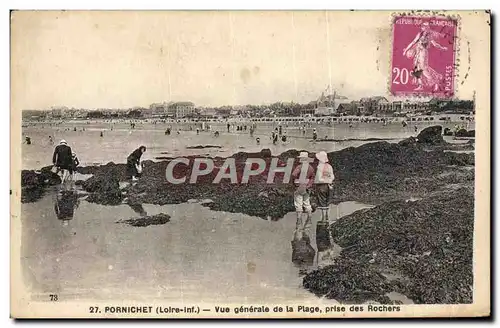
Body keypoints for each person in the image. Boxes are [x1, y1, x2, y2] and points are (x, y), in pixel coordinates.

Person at [291, 152, 315, 231]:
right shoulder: (311, 167)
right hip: (307, 186)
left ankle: (299, 220)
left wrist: (294, 182)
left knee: (298, 202)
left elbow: (294, 174)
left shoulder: (299, 167)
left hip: (300, 185)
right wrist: (309, 185)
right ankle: (310, 218)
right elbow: (312, 178)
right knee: (307, 202)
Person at [314, 151, 334, 223]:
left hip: (321, 186)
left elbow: (319, 178)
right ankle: (327, 217)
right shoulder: (329, 166)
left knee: (322, 201)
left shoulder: (320, 167)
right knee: (327, 201)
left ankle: (323, 218)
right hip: (329, 185)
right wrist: (328, 180)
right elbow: (332, 177)